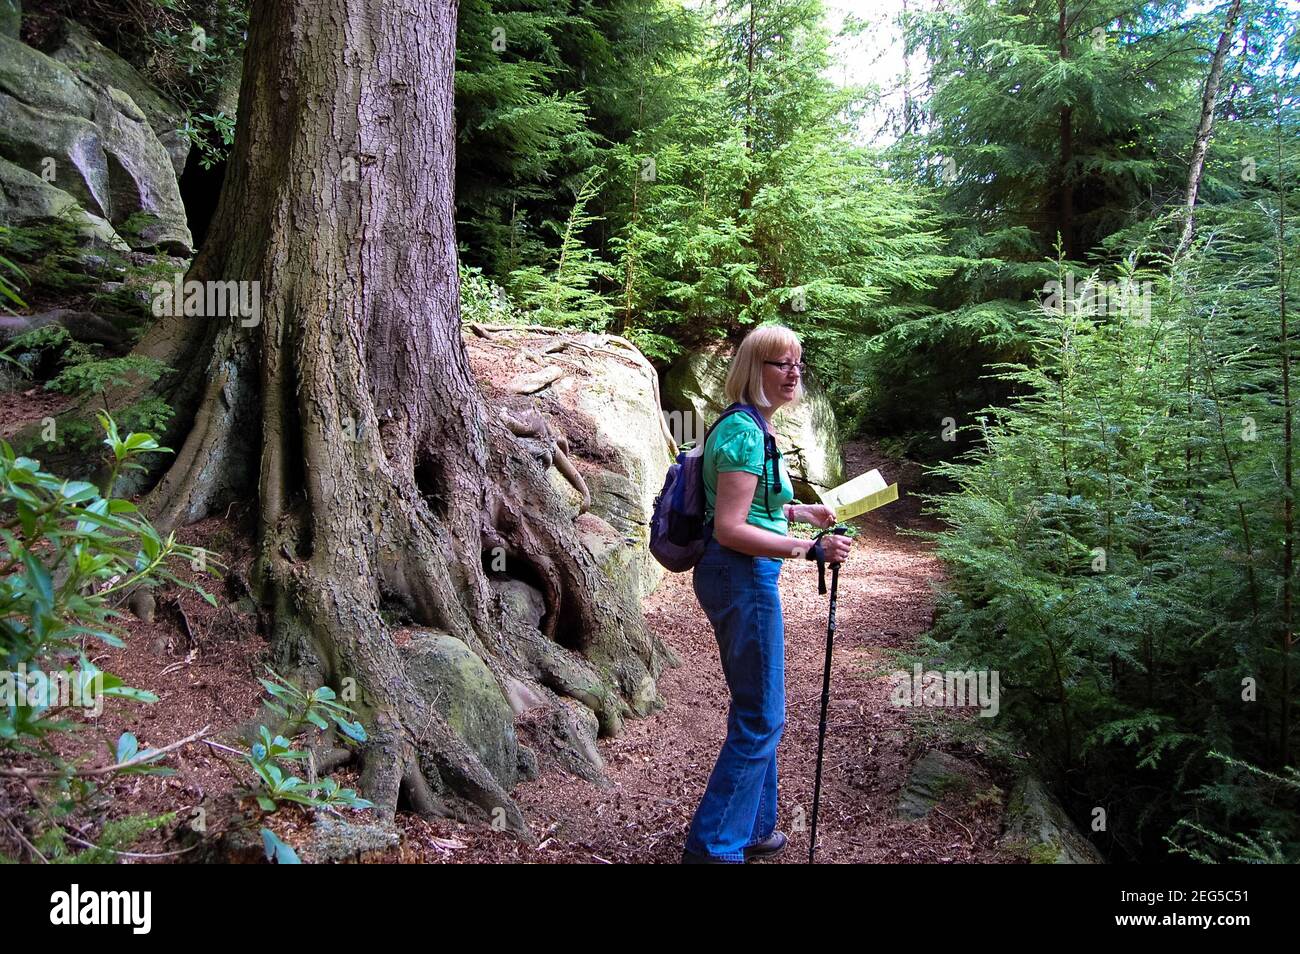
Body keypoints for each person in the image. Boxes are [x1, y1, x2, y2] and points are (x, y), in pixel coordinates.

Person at [680, 324, 853, 864]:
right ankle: (713, 850)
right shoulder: (743, 433)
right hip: (739, 573)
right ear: (756, 371)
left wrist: (802, 512)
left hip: (744, 572)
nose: (794, 372)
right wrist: (808, 548)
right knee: (762, 717)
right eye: (782, 364)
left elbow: (755, 505)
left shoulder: (756, 427)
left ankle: (754, 828)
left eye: (798, 363)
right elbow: (730, 526)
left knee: (758, 708)